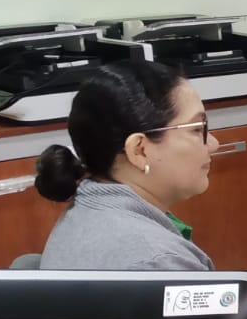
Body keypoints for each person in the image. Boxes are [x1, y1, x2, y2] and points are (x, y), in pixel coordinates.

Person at [36, 59, 221, 271]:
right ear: (139, 150)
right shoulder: (158, 262)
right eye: (197, 129)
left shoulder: (88, 207)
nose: (213, 144)